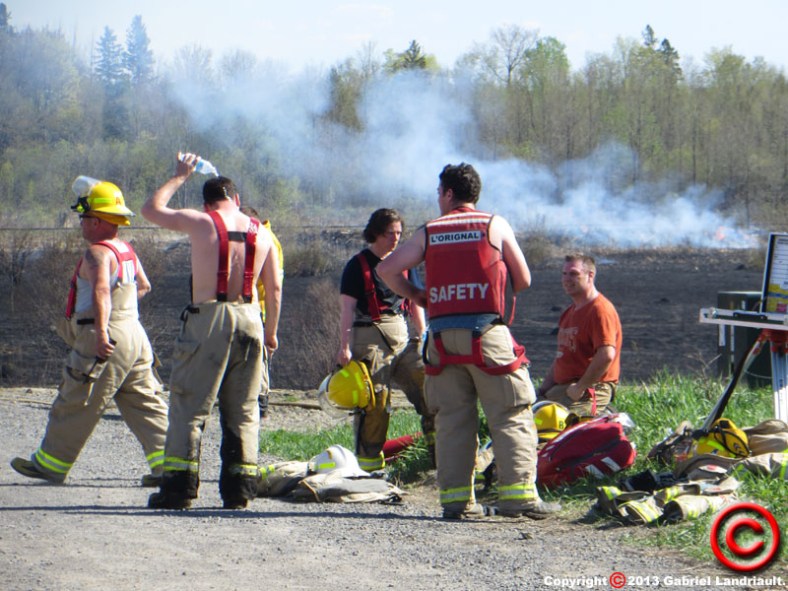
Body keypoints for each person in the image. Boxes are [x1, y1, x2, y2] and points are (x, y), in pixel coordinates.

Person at [377, 163, 560, 520]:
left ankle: (458, 502)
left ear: (447, 193)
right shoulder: (494, 224)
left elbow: (386, 269)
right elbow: (523, 279)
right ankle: (519, 498)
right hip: (488, 334)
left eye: (439, 194)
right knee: (509, 413)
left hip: (443, 341)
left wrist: (417, 294)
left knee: (452, 420)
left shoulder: (430, 231)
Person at [141, 153, 282, 510]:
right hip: (251, 317)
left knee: (190, 405)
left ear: (208, 203)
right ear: (236, 199)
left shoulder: (201, 222)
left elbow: (151, 210)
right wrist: (271, 334)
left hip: (209, 318)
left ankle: (179, 489)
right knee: (245, 409)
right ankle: (239, 491)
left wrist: (178, 176)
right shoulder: (262, 232)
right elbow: (276, 288)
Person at [10, 177, 169, 486]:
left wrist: (101, 332)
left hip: (105, 334)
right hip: (135, 335)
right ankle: (171, 469)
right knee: (145, 403)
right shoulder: (126, 250)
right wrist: (123, 316)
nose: (81, 223)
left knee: (77, 398)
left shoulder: (97, 253)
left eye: (84, 217)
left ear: (97, 220)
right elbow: (144, 286)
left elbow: (100, 293)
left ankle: (51, 465)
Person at [337, 208, 435, 473]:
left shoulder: (405, 265)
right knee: (375, 404)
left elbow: (416, 302)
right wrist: (344, 347)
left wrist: (423, 336)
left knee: (429, 387)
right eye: (390, 233)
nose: (396, 239)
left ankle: (438, 455)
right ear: (376, 233)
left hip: (403, 337)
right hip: (369, 339)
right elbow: (347, 309)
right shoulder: (356, 266)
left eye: (399, 233)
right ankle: (368, 468)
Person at [536, 253, 622, 417]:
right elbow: (562, 357)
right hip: (563, 388)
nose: (567, 279)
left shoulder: (600, 310)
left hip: (590, 389)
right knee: (529, 419)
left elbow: (606, 355)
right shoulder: (569, 313)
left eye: (574, 274)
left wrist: (580, 387)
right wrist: (542, 391)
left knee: (563, 428)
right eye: (564, 274)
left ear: (590, 275)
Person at [239, 205, 284, 420]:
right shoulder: (267, 237)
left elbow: (273, 286)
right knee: (258, 358)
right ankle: (257, 399)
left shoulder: (263, 240)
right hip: (260, 307)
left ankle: (261, 401)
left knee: (260, 358)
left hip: (260, 308)